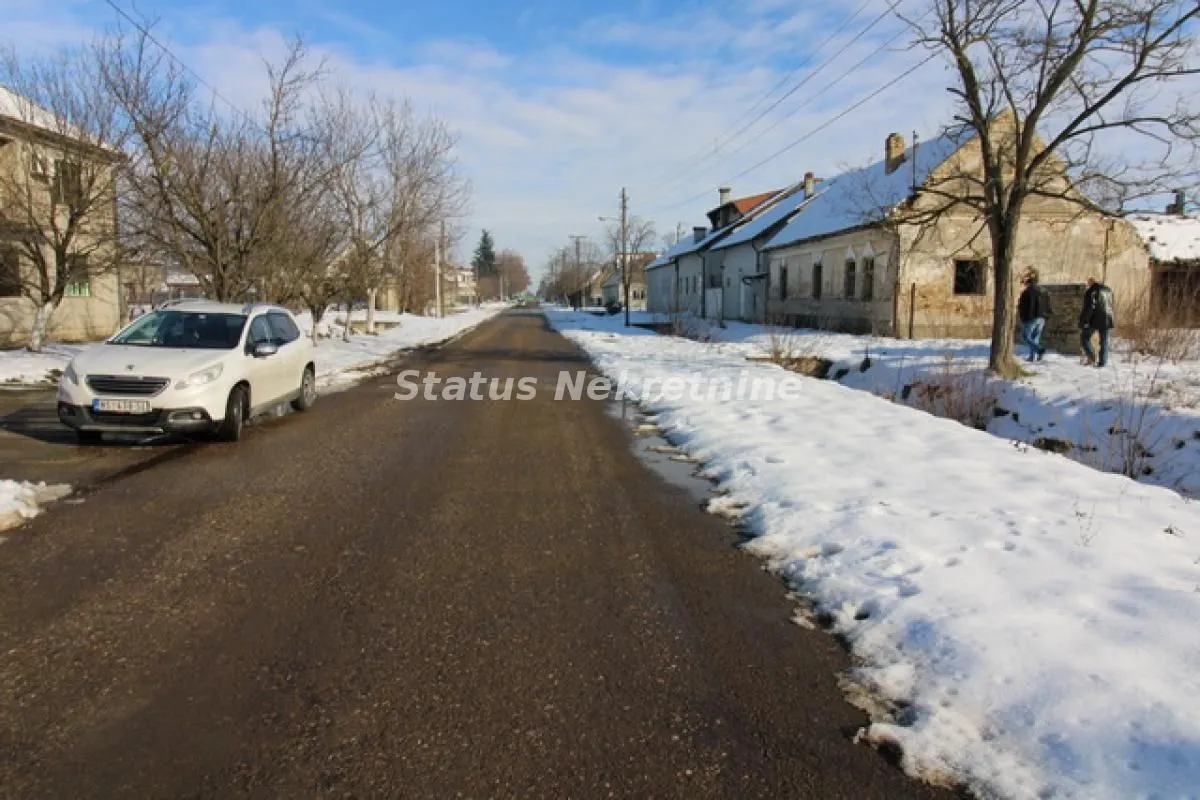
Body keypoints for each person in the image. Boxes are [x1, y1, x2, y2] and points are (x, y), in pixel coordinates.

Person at [1079, 277, 1115, 367]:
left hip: (1095, 318)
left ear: (1091, 282)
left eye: (1088, 282)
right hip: (1108, 317)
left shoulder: (1091, 291)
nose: (1087, 284)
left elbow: (1090, 307)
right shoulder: (1108, 290)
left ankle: (1091, 356)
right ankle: (1102, 362)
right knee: (1104, 341)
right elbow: (1111, 304)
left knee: (1084, 338)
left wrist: (1084, 321)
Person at [1017, 269, 1051, 362]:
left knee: (1026, 337)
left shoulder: (1027, 292)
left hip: (1031, 318)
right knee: (1035, 338)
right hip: (1042, 318)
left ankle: (1040, 350)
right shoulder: (1043, 291)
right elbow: (1047, 304)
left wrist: (1023, 318)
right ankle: (1033, 357)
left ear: (1028, 284)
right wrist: (1047, 315)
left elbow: (1022, 306)